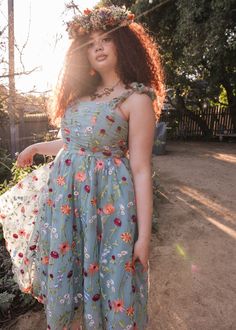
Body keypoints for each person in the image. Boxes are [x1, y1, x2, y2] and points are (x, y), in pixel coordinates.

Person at [0, 4, 165, 330]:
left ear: (124, 43)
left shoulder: (136, 99)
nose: (98, 46)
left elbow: (142, 168)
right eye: (90, 43)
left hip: (109, 208)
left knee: (112, 276)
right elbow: (74, 143)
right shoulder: (79, 98)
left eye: (106, 39)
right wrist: (36, 147)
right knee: (70, 277)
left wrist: (143, 236)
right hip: (67, 206)